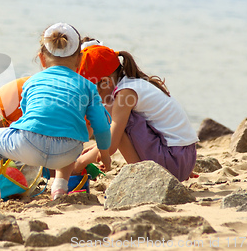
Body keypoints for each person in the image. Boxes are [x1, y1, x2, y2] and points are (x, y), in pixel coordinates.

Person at [0, 23, 111, 210]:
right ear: (79, 60)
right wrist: (105, 154)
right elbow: (101, 126)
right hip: (67, 153)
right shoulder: (88, 86)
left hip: (29, 147)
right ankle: (59, 190)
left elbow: (28, 114)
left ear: (41, 59)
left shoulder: (32, 81)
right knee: (70, 132)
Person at [75, 44, 198, 181]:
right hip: (184, 157)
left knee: (119, 122)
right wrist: (95, 148)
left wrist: (80, 163)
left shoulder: (125, 94)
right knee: (116, 121)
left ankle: (141, 176)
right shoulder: (133, 83)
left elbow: (111, 145)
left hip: (173, 160)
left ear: (105, 82)